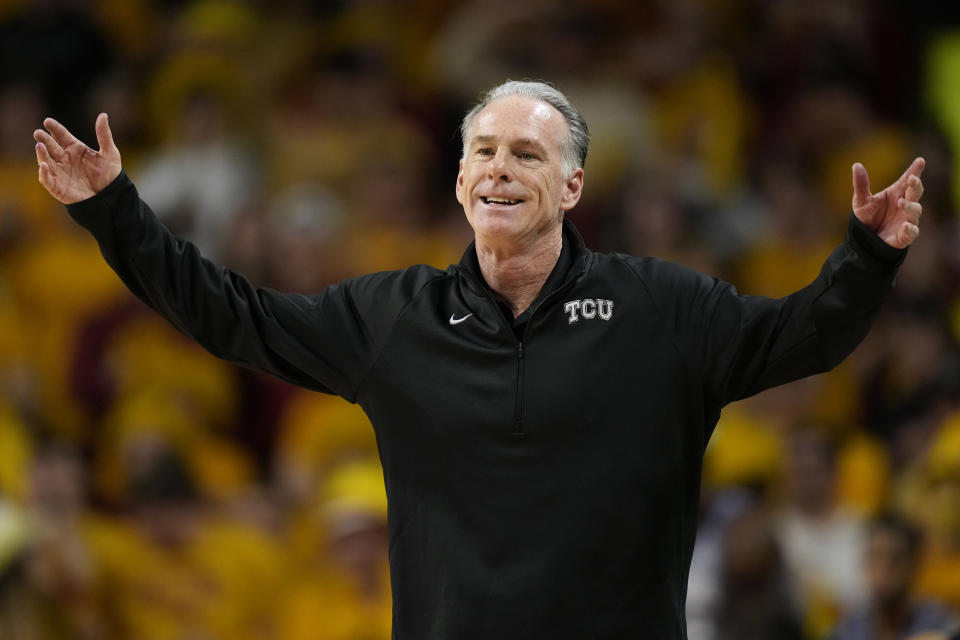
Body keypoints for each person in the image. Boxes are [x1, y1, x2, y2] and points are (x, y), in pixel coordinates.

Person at [33, 81, 925, 639]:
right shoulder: (393, 317)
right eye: (483, 152)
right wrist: (115, 210)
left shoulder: (663, 308)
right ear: (460, 181)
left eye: (527, 154)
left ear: (572, 187)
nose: (499, 169)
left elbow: (805, 337)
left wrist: (868, 256)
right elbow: (228, 316)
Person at [831, 514, 958, 640]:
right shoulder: (851, 626)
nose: (883, 570)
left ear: (914, 564)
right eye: (874, 557)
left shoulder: (942, 627)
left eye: (895, 559)